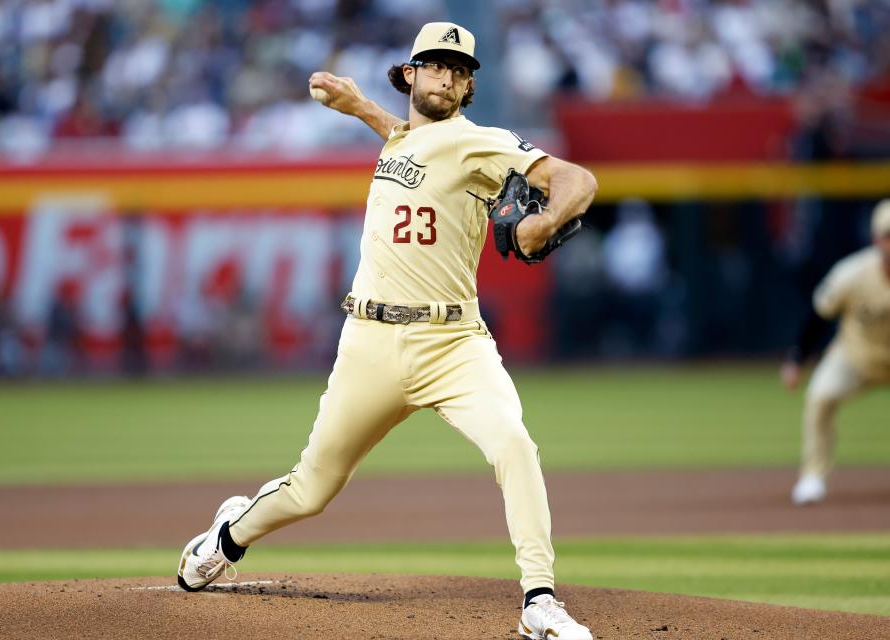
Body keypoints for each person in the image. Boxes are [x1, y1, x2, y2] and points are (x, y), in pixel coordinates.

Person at [176, 22, 597, 640]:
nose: (446, 76)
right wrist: (360, 107)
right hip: (369, 343)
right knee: (312, 488)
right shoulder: (402, 139)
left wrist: (546, 221)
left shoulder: (480, 143)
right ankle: (228, 536)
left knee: (513, 444)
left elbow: (576, 180)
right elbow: (408, 147)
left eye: (458, 69)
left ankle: (539, 602)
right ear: (410, 74)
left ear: (470, 85)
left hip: (453, 345)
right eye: (434, 64)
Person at [781, 200, 890, 504]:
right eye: (888, 235)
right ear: (876, 239)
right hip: (857, 356)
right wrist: (797, 359)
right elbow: (819, 315)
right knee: (820, 397)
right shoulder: (852, 273)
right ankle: (812, 476)